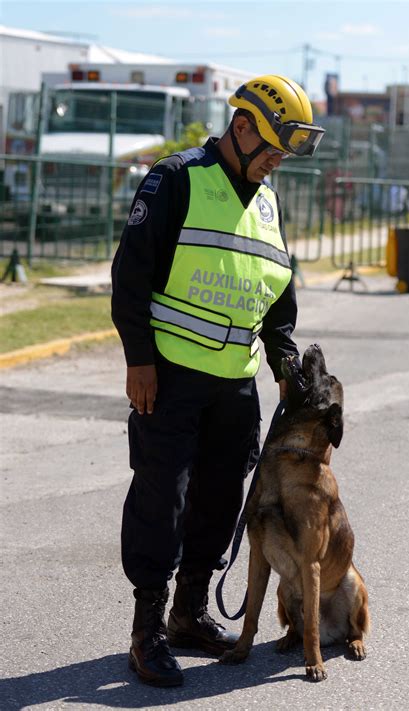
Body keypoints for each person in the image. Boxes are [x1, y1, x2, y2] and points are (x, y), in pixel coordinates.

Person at [111, 74, 325, 687]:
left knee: (219, 499)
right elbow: (131, 274)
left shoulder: (267, 201)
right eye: (273, 148)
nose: (277, 162)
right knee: (162, 497)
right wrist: (139, 360)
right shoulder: (176, 178)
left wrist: (284, 360)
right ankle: (147, 629)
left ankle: (189, 613)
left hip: (234, 384)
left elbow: (276, 291)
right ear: (241, 128)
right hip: (171, 377)